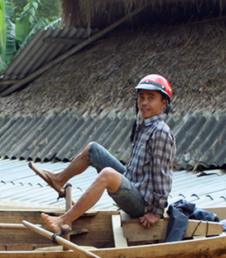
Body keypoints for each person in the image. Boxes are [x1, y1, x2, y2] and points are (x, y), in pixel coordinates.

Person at [32, 74, 176, 235]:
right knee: (93, 149)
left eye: (151, 98)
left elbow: (163, 176)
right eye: (141, 97)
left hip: (144, 204)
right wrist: (125, 192)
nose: (144, 102)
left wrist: (156, 212)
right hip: (135, 187)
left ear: (164, 103)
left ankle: (64, 220)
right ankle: (59, 180)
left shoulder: (161, 132)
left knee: (108, 174)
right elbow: (136, 168)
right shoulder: (145, 126)